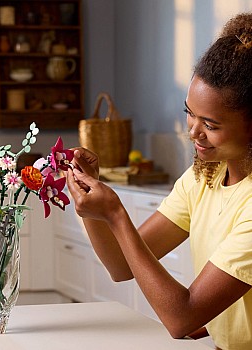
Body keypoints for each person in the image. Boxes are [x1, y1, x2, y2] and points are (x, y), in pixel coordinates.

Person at [66, 12, 252, 350]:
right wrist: (90, 205)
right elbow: (121, 266)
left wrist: (116, 215)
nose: (193, 132)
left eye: (210, 123)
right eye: (189, 114)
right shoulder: (203, 178)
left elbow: (181, 319)